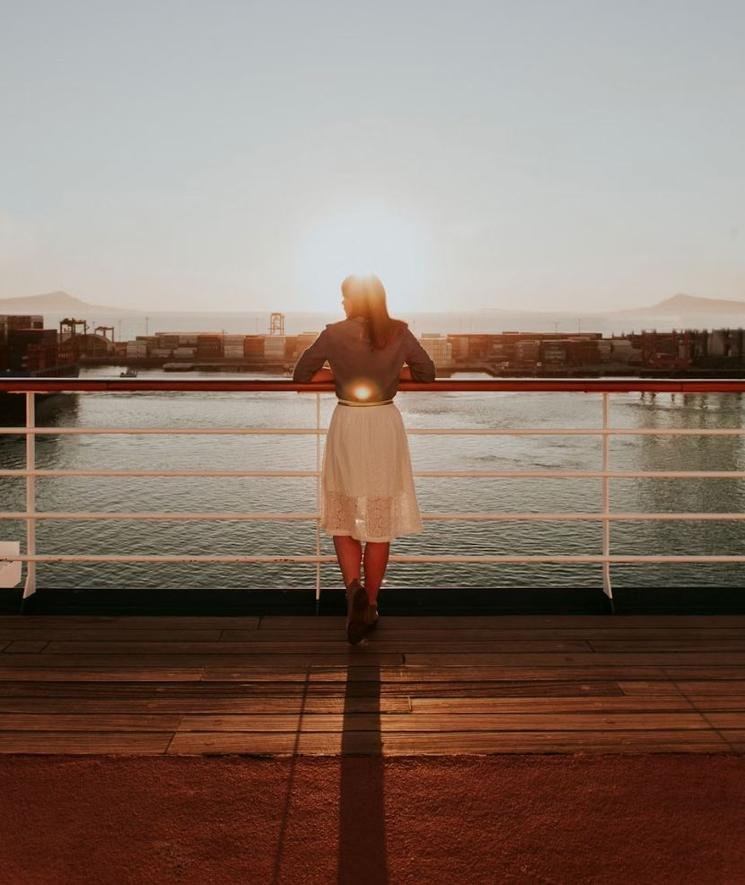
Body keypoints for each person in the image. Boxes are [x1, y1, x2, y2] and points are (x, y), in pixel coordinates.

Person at [292, 274, 436, 644]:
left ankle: (352, 591)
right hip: (383, 423)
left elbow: (301, 374)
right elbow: (427, 373)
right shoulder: (399, 332)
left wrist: (341, 372)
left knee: (343, 514)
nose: (342, 304)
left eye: (345, 297)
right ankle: (370, 604)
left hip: (348, 422)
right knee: (379, 519)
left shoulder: (333, 333)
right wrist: (391, 372)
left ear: (355, 300)